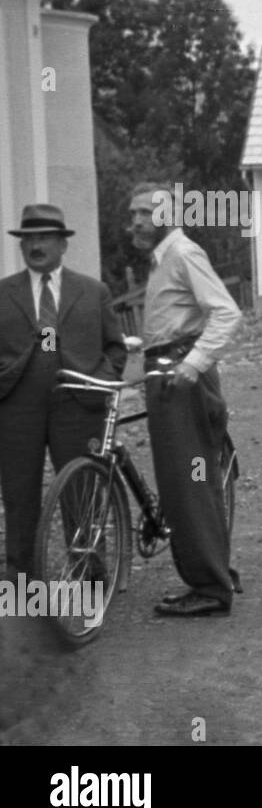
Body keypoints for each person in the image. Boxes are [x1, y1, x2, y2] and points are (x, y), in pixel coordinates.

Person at [128, 182, 243, 617]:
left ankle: (211, 589)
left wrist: (192, 365)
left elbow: (227, 313)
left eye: (145, 212)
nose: (136, 221)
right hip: (166, 375)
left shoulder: (182, 253)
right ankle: (213, 573)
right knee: (187, 485)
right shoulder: (162, 259)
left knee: (189, 486)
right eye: (133, 213)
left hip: (182, 383)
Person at [0, 204, 126, 580]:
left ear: (62, 244)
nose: (36, 245)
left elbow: (116, 348)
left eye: (44, 238)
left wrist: (96, 383)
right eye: (29, 239)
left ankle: (90, 575)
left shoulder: (92, 291)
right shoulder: (3, 293)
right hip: (17, 407)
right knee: (19, 496)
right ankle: (21, 581)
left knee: (82, 490)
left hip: (78, 405)